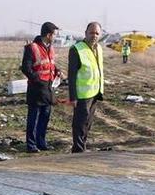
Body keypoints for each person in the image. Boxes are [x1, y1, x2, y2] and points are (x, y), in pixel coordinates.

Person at [20, 22, 61, 152]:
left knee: (45, 117)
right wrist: (36, 79)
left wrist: (57, 71)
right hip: (36, 89)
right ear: (49, 35)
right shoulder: (32, 47)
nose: (55, 37)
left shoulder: (51, 48)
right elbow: (26, 68)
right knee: (34, 118)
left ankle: (41, 142)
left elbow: (50, 64)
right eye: (54, 34)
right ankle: (31, 145)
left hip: (48, 88)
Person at [68, 22, 105, 153]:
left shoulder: (99, 49)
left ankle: (82, 146)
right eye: (91, 32)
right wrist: (73, 97)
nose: (94, 35)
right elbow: (71, 75)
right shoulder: (76, 49)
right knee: (79, 124)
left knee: (88, 124)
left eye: (97, 33)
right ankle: (78, 150)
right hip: (82, 95)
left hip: (94, 92)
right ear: (85, 33)